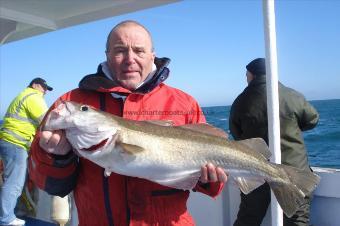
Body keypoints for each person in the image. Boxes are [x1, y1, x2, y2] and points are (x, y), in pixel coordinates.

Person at [28, 20, 228, 226]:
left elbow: (213, 186)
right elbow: (49, 184)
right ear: (107, 55)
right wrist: (56, 157)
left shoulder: (184, 103)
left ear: (153, 56)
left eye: (139, 51)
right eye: (120, 50)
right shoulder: (70, 103)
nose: (129, 59)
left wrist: (209, 180)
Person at [229, 58, 319, 226]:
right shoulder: (292, 96)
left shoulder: (240, 101)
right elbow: (312, 119)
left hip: (255, 170)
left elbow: (236, 133)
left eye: (246, 75)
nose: (246, 78)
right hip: (293, 169)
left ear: (252, 75)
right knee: (297, 219)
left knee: (249, 219)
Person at [0, 77, 53, 226]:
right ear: (35, 85)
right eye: (44, 88)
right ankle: (6, 219)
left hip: (9, 141)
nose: (45, 92)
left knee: (13, 180)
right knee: (14, 183)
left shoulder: (22, 95)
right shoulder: (33, 96)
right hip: (16, 143)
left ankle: (12, 213)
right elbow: (46, 120)